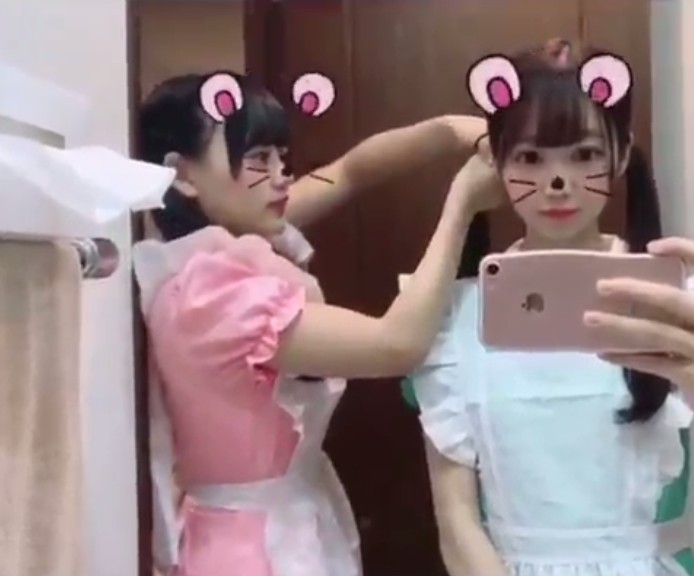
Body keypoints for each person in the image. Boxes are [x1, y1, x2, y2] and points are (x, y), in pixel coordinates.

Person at [133, 70, 499, 576]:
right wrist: (460, 207)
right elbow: (396, 345)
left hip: (280, 525)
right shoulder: (213, 296)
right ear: (182, 175)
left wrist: (452, 131)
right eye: (257, 158)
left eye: (281, 156)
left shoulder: (232, 239)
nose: (281, 175)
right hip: (248, 549)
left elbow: (350, 173)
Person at [403, 39, 694, 576]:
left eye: (584, 155)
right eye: (530, 158)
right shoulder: (454, 320)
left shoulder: (677, 303)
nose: (557, 184)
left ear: (621, 156)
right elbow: (456, 522)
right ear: (496, 163)